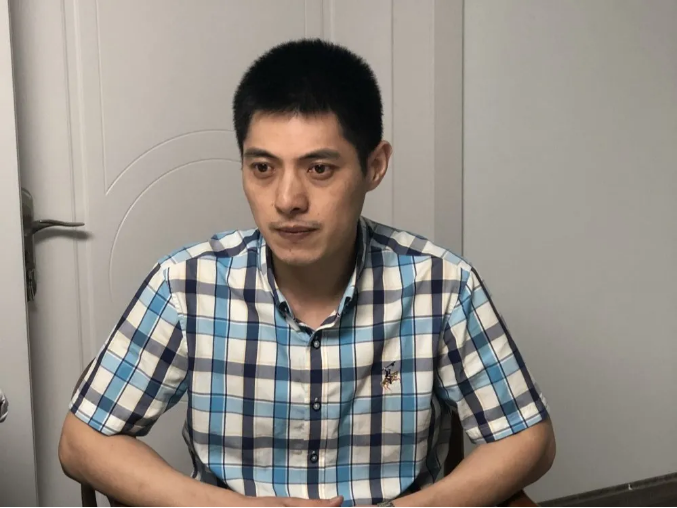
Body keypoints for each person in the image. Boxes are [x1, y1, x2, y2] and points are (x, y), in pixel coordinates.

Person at [59, 39, 555, 507]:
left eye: (319, 169)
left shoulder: (441, 286)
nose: (287, 200)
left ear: (375, 166)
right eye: (263, 168)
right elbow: (81, 443)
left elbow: (529, 439)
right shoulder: (186, 285)